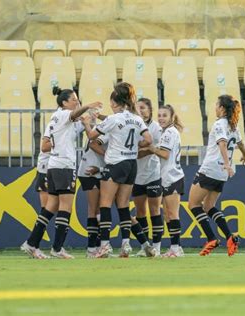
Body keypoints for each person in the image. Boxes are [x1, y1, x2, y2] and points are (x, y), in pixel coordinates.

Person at [21, 86, 102, 259]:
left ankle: (31, 243)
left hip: (54, 166)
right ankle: (57, 248)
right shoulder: (63, 114)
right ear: (65, 102)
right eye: (74, 100)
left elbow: (81, 127)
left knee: (51, 207)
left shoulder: (63, 120)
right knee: (65, 207)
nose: (77, 102)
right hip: (64, 166)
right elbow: (73, 116)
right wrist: (88, 105)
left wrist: (91, 119)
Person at [83, 82, 155, 258]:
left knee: (105, 204)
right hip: (131, 164)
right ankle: (126, 245)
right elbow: (149, 139)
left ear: (114, 103)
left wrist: (87, 123)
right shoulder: (136, 119)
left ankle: (105, 245)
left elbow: (92, 137)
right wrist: (136, 146)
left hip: (115, 163)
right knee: (123, 206)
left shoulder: (113, 119)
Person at [188, 95, 245, 256]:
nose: (215, 108)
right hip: (222, 173)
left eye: (216, 105)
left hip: (211, 169)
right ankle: (230, 237)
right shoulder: (233, 126)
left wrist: (228, 163)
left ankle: (211, 238)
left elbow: (222, 143)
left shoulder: (219, 124)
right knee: (209, 207)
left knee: (193, 204)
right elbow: (241, 143)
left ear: (222, 108)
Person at [144, 104, 185, 258]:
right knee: (168, 214)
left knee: (172, 214)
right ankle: (176, 247)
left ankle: (175, 248)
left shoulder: (169, 132)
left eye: (164, 115)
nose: (161, 118)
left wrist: (151, 148)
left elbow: (165, 154)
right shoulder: (168, 131)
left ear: (171, 117)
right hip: (168, 177)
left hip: (173, 176)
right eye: (159, 115)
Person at [133, 98, 164, 257]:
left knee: (154, 210)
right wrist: (145, 148)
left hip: (153, 173)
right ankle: (145, 247)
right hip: (137, 176)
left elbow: (155, 149)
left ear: (150, 110)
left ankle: (157, 246)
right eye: (138, 108)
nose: (141, 111)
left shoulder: (155, 127)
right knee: (140, 212)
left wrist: (138, 151)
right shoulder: (134, 125)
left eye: (143, 108)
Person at [77, 118, 109, 258]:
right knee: (94, 208)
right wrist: (109, 155)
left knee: (101, 209)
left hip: (100, 170)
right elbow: (92, 144)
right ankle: (92, 248)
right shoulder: (107, 131)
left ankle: (98, 247)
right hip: (89, 170)